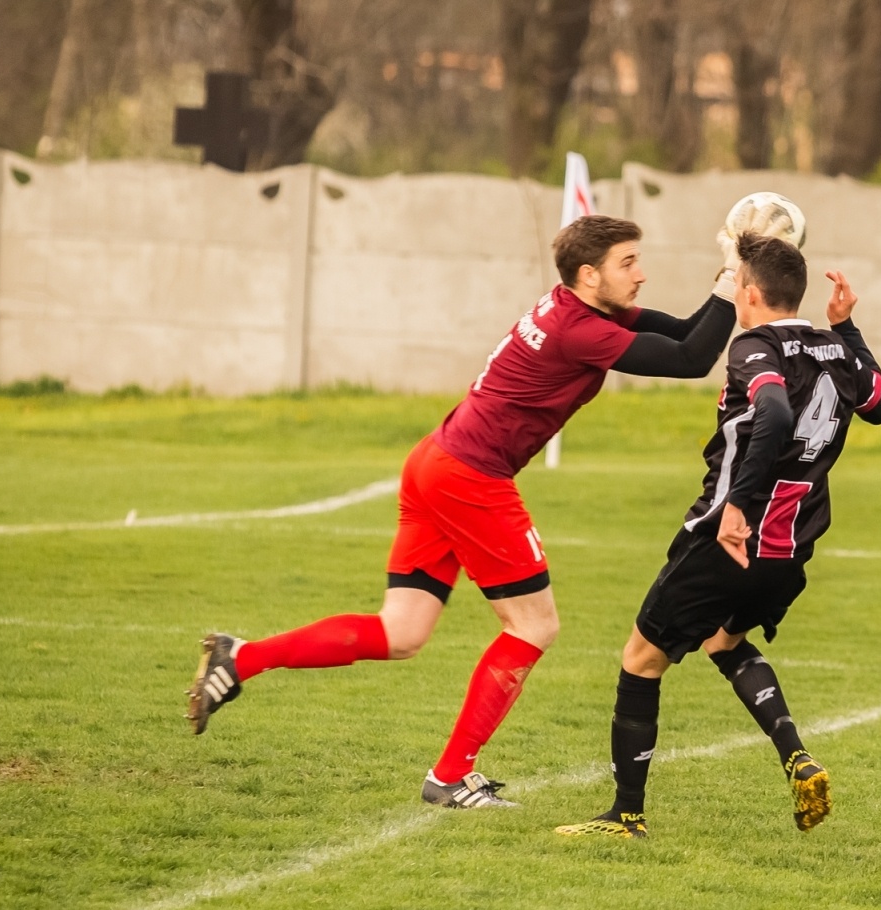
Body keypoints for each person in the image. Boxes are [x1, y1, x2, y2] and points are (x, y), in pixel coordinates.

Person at [187, 209, 798, 811]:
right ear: (589, 275)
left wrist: (733, 271)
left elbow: (689, 336)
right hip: (470, 477)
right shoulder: (579, 329)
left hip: (436, 461)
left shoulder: (581, 310)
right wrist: (728, 277)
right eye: (628, 263)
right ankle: (451, 776)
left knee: (401, 632)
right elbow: (693, 359)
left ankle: (241, 658)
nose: (640, 274)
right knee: (534, 626)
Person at [554, 233, 881, 839]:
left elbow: (776, 413)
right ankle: (796, 755)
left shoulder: (754, 347)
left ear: (751, 292)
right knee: (722, 640)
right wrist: (847, 329)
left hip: (729, 536)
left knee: (641, 659)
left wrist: (736, 505)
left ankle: (625, 816)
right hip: (791, 547)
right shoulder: (834, 348)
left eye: (737, 281)